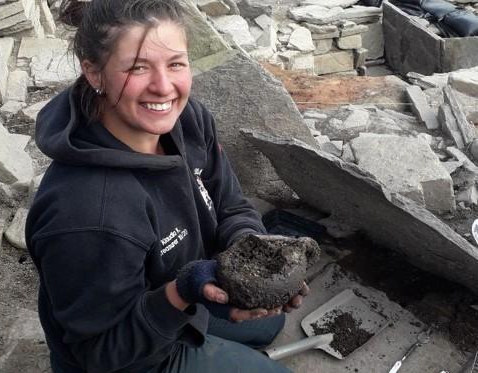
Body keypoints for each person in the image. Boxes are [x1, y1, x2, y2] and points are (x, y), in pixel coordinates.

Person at [25, 1, 308, 372]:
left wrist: (249, 251)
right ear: (94, 73)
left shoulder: (187, 120)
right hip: (130, 358)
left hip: (179, 293)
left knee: (269, 320)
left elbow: (229, 203)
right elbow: (99, 352)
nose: (163, 87)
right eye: (137, 67)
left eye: (176, 63)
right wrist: (184, 291)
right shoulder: (87, 213)